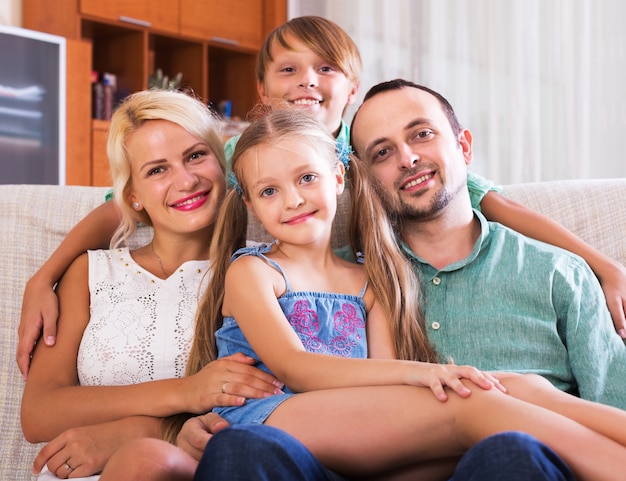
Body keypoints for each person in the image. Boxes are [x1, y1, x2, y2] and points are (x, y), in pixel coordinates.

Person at [16, 17, 626, 379]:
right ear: (262, 89)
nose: (308, 80)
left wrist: (601, 266)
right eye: (289, 70)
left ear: (350, 90)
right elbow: (116, 207)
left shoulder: (375, 163)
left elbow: (487, 202)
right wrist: (44, 276)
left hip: (354, 314)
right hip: (279, 318)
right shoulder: (236, 158)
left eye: (326, 69)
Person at [102, 108, 626, 481]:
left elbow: (385, 400)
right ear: (252, 206)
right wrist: (427, 373)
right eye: (268, 191)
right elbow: (297, 367)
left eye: (306, 177)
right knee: (476, 403)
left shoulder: (369, 281)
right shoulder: (254, 273)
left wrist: (422, 380)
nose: (292, 201)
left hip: (350, 440)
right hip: (270, 420)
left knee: (519, 386)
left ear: (338, 177)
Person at [20, 89, 287, 479]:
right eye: (157, 170)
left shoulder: (264, 271)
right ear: (133, 195)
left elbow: (274, 399)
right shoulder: (89, 272)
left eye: (196, 155)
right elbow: (38, 413)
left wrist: (151, 432)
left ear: (222, 163)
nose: (186, 180)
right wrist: (185, 392)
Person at [349, 79, 626, 409]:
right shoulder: (346, 282)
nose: (407, 159)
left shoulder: (559, 274)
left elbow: (614, 408)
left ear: (464, 147)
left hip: (541, 453)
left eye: (421, 134)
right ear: (365, 181)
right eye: (382, 152)